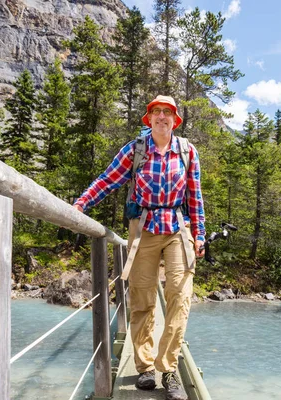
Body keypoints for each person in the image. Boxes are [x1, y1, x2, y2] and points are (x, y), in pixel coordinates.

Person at [73, 95, 205, 400]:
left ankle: (168, 367)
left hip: (176, 227)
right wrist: (82, 203)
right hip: (143, 227)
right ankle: (145, 368)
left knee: (180, 295)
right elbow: (108, 180)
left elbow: (196, 197)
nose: (161, 117)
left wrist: (199, 234)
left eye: (167, 113)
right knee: (142, 298)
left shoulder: (187, 152)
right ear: (149, 119)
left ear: (175, 120)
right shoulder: (136, 149)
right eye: (156, 112)